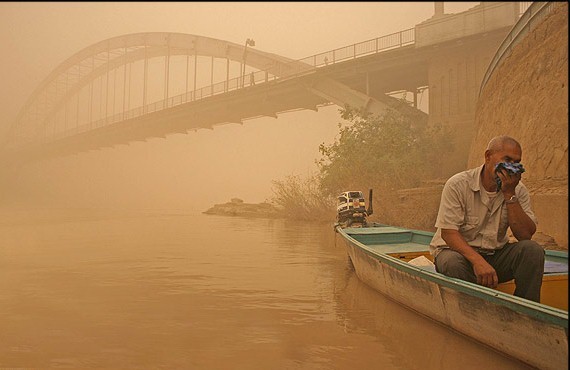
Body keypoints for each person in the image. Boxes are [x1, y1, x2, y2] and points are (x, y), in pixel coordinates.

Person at [430, 135, 544, 302]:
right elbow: (448, 233)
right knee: (452, 263)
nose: (510, 167)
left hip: (495, 256)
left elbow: (525, 235)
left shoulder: (518, 190)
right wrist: (478, 261)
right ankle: (471, 314)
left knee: (532, 251)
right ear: (488, 156)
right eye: (506, 159)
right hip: (459, 255)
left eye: (516, 162)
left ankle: (526, 314)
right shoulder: (458, 184)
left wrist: (509, 194)